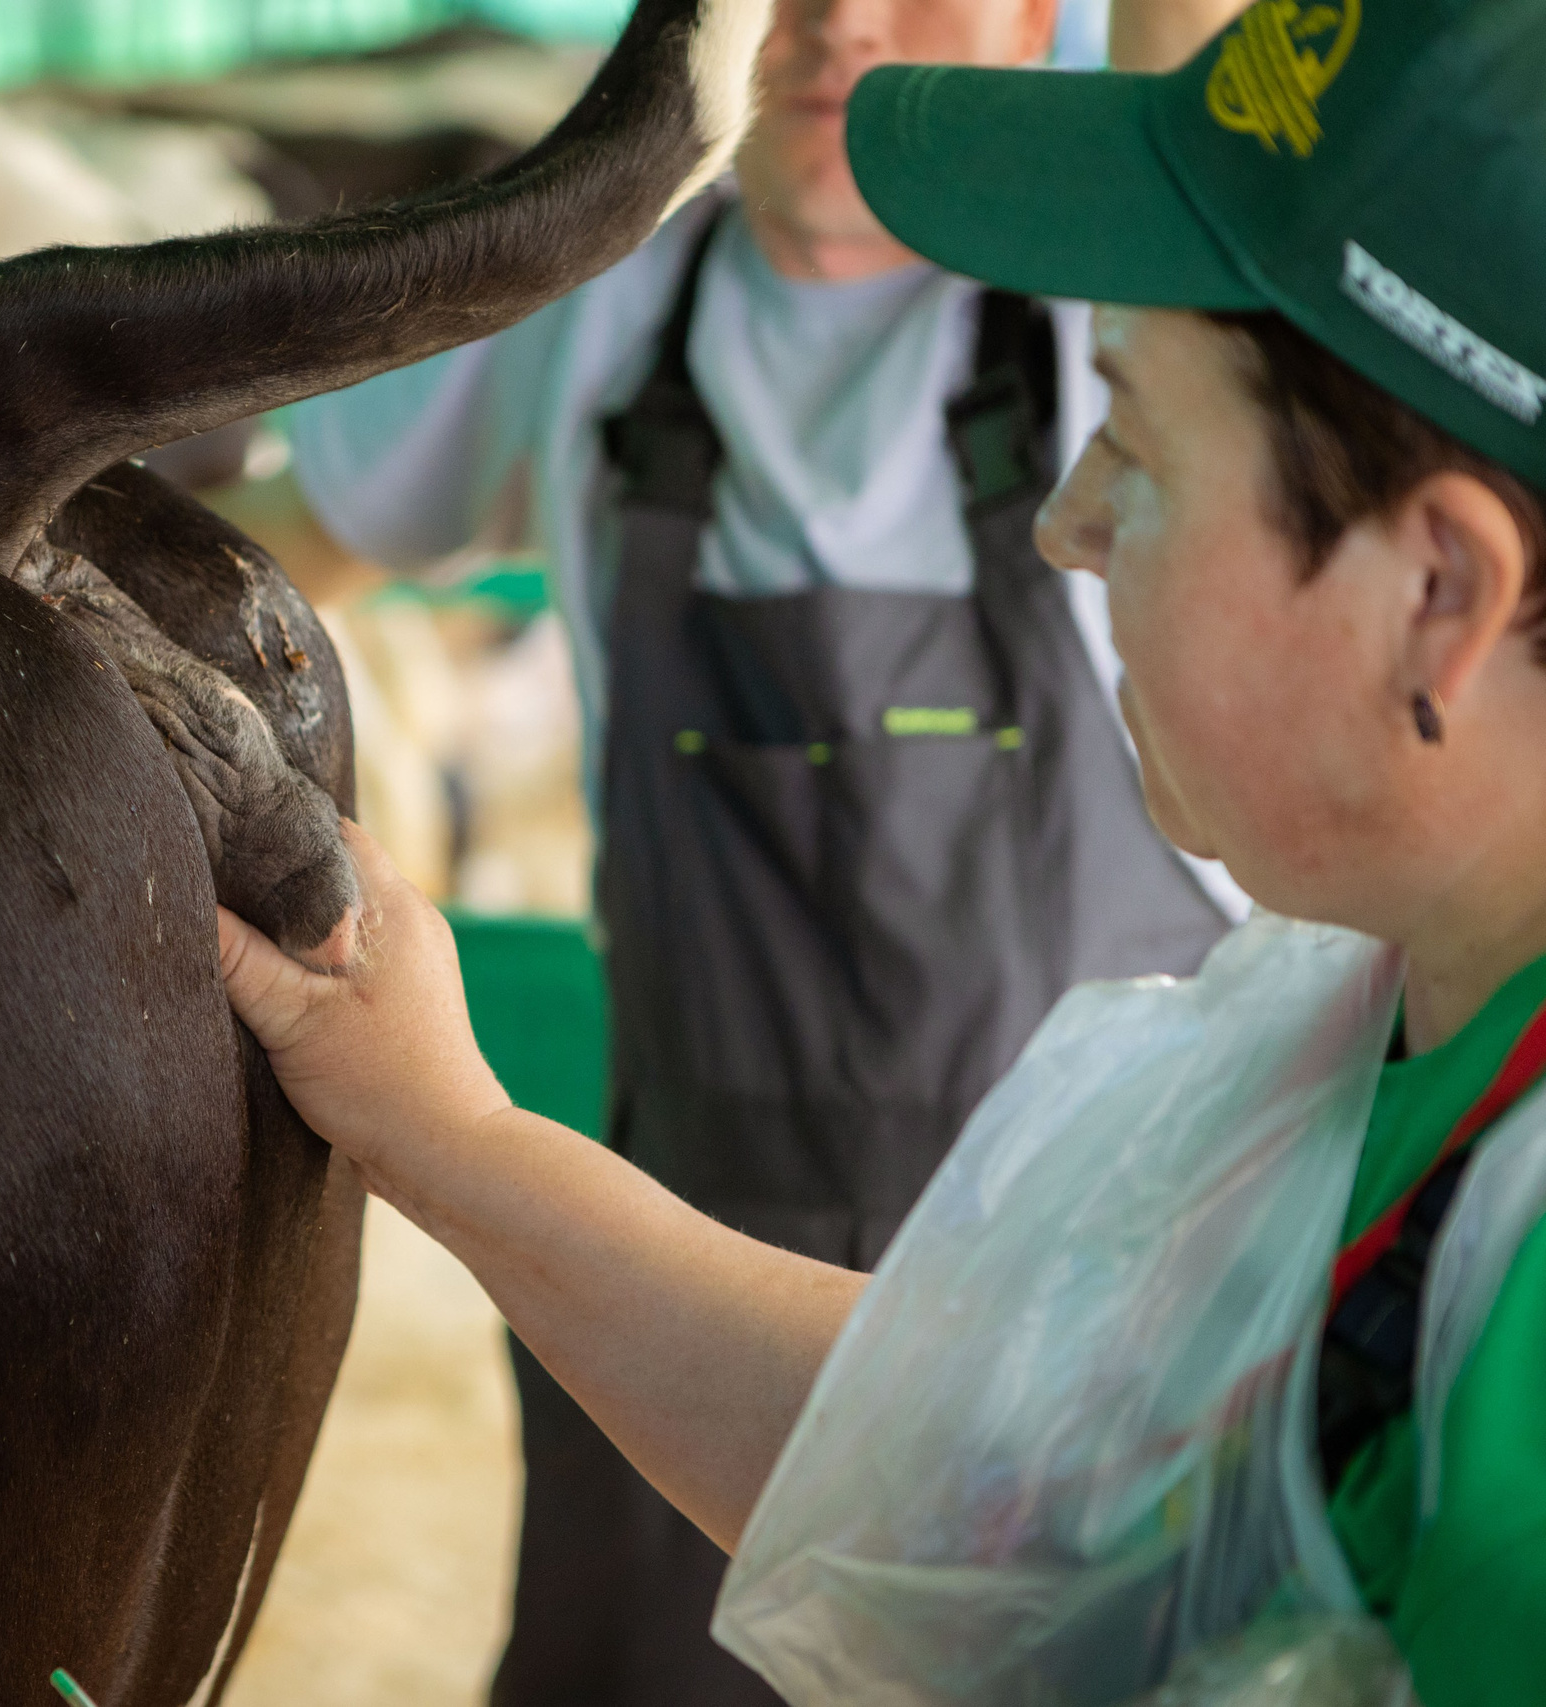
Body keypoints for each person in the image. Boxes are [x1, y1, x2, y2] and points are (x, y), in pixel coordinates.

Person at [220, 0, 1546, 1700]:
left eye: (1130, 441)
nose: (1071, 523)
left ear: (1438, 594)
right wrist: (445, 1133)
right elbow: (1001, 1482)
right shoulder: (1368, 1034)